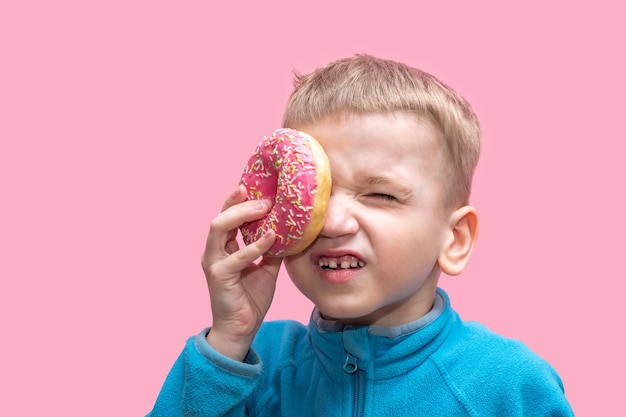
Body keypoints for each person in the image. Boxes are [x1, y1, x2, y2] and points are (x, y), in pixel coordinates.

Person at [147, 54, 574, 416]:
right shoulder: (252, 364)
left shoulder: (508, 385)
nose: (331, 223)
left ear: (455, 239)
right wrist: (229, 341)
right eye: (317, 195)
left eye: (381, 195)